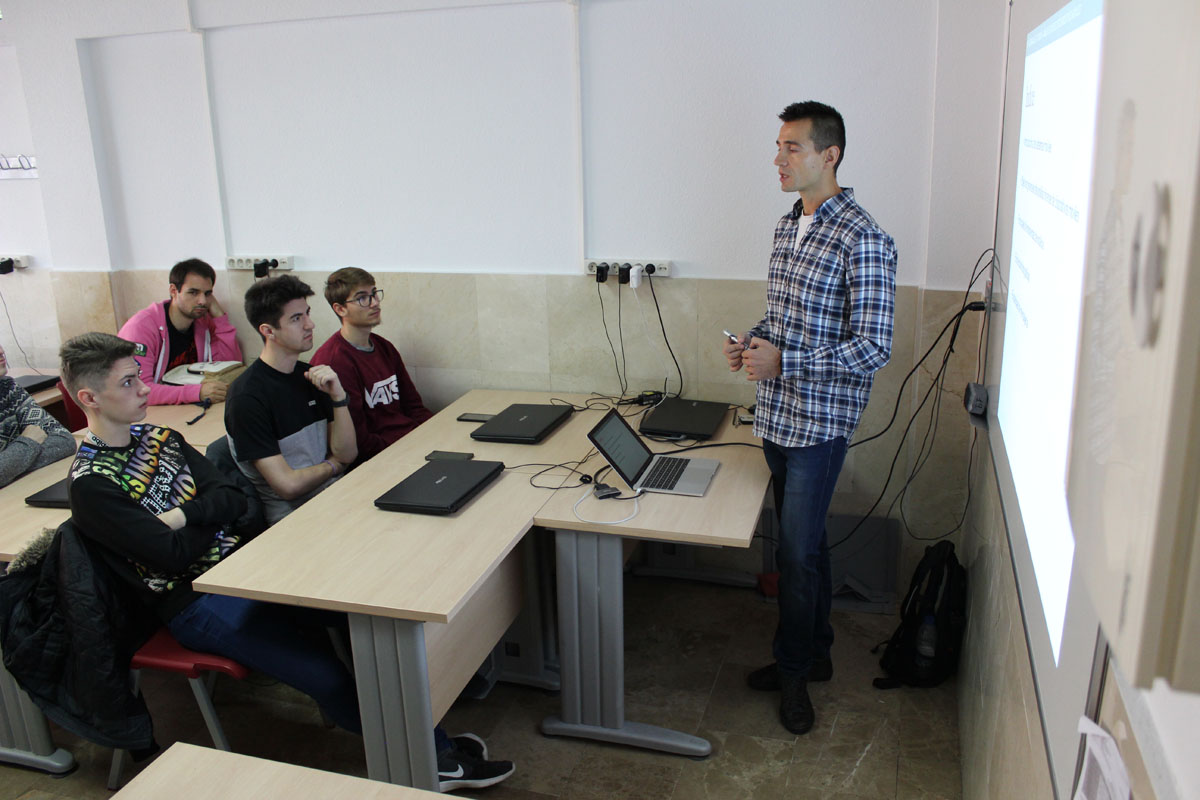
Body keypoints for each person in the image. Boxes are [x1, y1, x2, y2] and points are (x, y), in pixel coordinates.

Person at [225, 276, 512, 790]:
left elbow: (348, 452)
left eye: (308, 313)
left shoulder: (311, 378)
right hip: (296, 535)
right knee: (389, 608)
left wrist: (337, 399)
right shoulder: (248, 396)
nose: (310, 324)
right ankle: (431, 756)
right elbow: (287, 486)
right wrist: (333, 467)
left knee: (438, 554)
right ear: (268, 330)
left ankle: (442, 699)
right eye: (297, 318)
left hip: (337, 509)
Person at [59, 332, 360, 735]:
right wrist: (212, 518)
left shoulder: (162, 438)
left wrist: (183, 515)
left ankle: (409, 720)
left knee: (358, 610)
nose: (145, 389)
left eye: (139, 377)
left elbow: (233, 498)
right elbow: (172, 557)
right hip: (193, 602)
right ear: (89, 398)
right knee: (328, 676)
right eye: (128, 382)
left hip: (241, 567)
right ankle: (418, 751)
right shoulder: (92, 482)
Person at [723, 101, 897, 735]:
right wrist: (753, 343)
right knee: (807, 546)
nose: (778, 158)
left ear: (831, 155)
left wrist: (785, 360)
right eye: (778, 146)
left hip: (820, 427)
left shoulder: (865, 237)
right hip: (776, 417)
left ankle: (795, 673)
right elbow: (783, 319)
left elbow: (873, 347)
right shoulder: (785, 226)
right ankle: (816, 652)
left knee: (795, 556)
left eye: (791, 147)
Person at [311, 268, 431, 466]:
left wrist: (432, 434)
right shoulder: (334, 361)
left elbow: (414, 406)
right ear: (340, 309)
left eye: (374, 293)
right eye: (362, 298)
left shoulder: (384, 347)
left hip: (411, 444)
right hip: (380, 460)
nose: (374, 303)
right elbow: (360, 440)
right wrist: (408, 448)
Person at [117, 258, 242, 406]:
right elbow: (137, 390)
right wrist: (196, 392)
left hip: (184, 408)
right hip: (147, 411)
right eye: (193, 292)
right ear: (173, 291)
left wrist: (220, 318)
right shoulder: (140, 328)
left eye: (207, 294)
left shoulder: (202, 322)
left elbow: (230, 368)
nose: (202, 301)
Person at [0, 341, 76, 487]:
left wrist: (9, 466)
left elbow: (64, 440)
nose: (1, 351)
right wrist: (27, 441)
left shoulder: (7, 388)